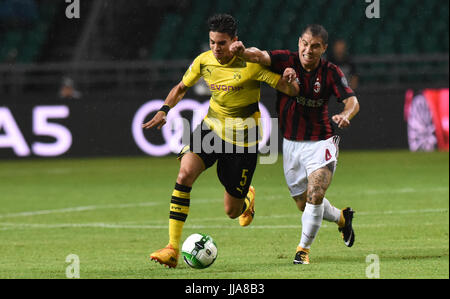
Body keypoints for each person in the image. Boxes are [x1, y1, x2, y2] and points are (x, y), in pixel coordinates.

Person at [142, 14, 299, 268]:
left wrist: (292, 80)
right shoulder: (204, 61)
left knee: (232, 211)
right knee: (184, 175)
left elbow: (288, 89)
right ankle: (172, 248)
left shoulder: (252, 65)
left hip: (244, 140)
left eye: (222, 43)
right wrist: (164, 109)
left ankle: (246, 198)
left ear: (235, 41)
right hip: (211, 129)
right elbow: (181, 87)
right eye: (212, 42)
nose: (216, 48)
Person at [230, 24, 360, 264]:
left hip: (321, 142)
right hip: (291, 145)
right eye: (305, 44)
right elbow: (259, 55)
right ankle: (342, 218)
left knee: (316, 192)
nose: (308, 50)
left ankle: (303, 250)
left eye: (315, 46)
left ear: (324, 49)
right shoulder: (285, 59)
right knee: (304, 203)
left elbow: (352, 100)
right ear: (299, 41)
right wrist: (242, 51)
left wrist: (345, 115)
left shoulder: (330, 72)